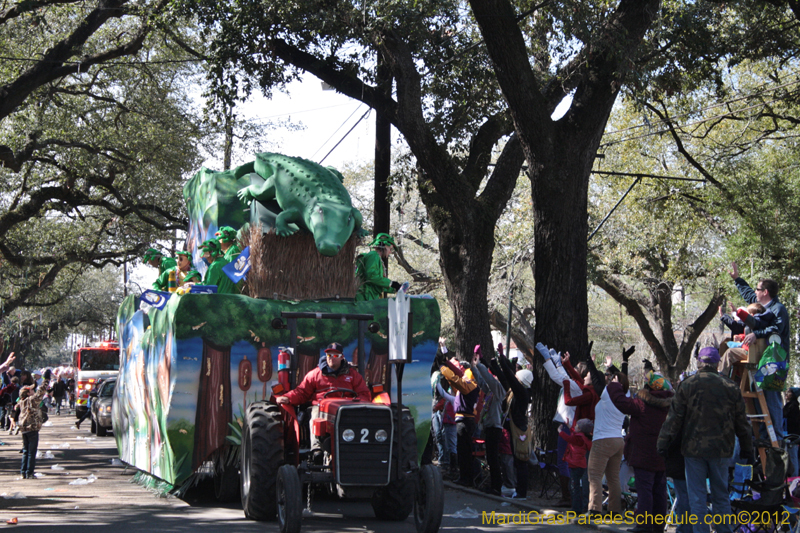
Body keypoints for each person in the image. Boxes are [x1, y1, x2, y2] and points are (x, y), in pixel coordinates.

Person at [657, 346, 753, 533]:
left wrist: (663, 443)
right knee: (721, 495)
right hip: (722, 450)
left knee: (697, 497)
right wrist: (748, 448)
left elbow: (673, 420)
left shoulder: (687, 385)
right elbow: (742, 422)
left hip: (693, 450)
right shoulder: (730, 387)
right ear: (717, 363)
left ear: (700, 362)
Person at [276, 342, 370, 457]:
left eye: (335, 356)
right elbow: (302, 391)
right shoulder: (315, 374)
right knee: (315, 415)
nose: (331, 358)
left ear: (342, 357)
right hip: (321, 408)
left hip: (346, 409)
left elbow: (364, 394)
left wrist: (356, 404)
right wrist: (288, 397)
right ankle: (317, 449)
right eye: (329, 355)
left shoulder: (353, 375)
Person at [730, 262, 790, 439]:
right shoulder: (763, 306)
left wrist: (756, 334)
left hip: (774, 361)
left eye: (758, 289)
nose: (755, 292)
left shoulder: (778, 309)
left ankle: (776, 440)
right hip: (759, 359)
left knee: (771, 400)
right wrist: (737, 279)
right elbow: (749, 294)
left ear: (765, 292)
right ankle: (764, 438)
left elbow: (775, 330)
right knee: (758, 402)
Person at [607, 370, 674, 532]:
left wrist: (615, 385)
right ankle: (658, 526)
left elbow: (619, 401)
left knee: (645, 491)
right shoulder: (670, 407)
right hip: (662, 455)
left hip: (643, 455)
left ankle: (644, 525)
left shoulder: (641, 405)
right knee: (659, 491)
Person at [440, 354, 480, 487]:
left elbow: (456, 379)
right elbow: (457, 376)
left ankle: (466, 478)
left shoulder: (470, 386)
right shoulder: (470, 385)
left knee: (464, 451)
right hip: (464, 420)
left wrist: (443, 369)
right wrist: (447, 363)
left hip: (465, 421)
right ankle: (464, 476)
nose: (464, 376)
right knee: (463, 450)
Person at [471, 346, 506, 496]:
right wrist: (473, 367)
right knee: (490, 459)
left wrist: (480, 364)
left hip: (495, 428)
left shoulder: (499, 391)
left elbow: (489, 379)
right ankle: (493, 485)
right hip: (489, 427)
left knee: (493, 459)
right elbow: (482, 381)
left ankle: (496, 487)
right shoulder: (491, 392)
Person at [718, 302, 775, 377]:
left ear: (751, 315)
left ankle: (721, 374)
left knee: (730, 352)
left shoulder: (757, 323)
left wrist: (737, 311)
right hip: (753, 350)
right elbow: (748, 334)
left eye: (748, 314)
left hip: (751, 352)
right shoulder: (762, 323)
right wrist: (741, 337)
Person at [18, 377, 50, 479]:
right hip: (32, 428)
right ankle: (29, 473)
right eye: (31, 390)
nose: (33, 391)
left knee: (26, 451)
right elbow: (40, 392)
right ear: (27, 393)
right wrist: (46, 381)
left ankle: (23, 472)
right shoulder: (31, 400)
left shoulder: (22, 402)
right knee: (32, 452)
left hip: (24, 429)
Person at [559, 419, 593, 514]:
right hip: (580, 464)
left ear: (581, 429)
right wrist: (569, 426)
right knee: (575, 485)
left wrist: (560, 432)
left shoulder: (579, 439)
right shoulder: (583, 437)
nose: (575, 427)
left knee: (574, 487)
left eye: (577, 426)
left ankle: (576, 508)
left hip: (575, 464)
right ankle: (578, 506)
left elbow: (569, 438)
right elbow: (574, 434)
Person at [355, 233, 402, 301]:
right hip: (364, 297)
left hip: (370, 297)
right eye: (390, 249)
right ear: (385, 246)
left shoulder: (377, 258)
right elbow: (371, 276)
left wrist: (395, 288)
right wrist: (390, 283)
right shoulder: (373, 255)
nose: (390, 252)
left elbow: (377, 284)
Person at [785, 387, 800, 477]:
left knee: (793, 456)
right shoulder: (791, 405)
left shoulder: (793, 407)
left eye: (789, 392)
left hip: (792, 436)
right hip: (790, 435)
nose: (787, 393)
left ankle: (794, 476)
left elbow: (793, 422)